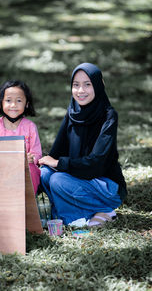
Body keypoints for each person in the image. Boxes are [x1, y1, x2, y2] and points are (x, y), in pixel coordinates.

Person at [38, 62, 127, 227]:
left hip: (106, 185)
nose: (80, 91)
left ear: (98, 86)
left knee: (58, 180)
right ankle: (81, 214)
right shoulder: (73, 111)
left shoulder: (108, 116)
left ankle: (100, 211)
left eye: (87, 84)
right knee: (44, 174)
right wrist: (37, 161)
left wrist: (59, 163)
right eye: (76, 85)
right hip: (78, 178)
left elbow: (96, 163)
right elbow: (55, 153)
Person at [0, 80, 42, 194]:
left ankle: (27, 206)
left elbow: (36, 153)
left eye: (19, 100)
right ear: (1, 103)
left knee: (31, 170)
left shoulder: (30, 127)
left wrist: (32, 158)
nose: (13, 105)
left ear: (27, 104)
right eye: (8, 100)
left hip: (24, 169)